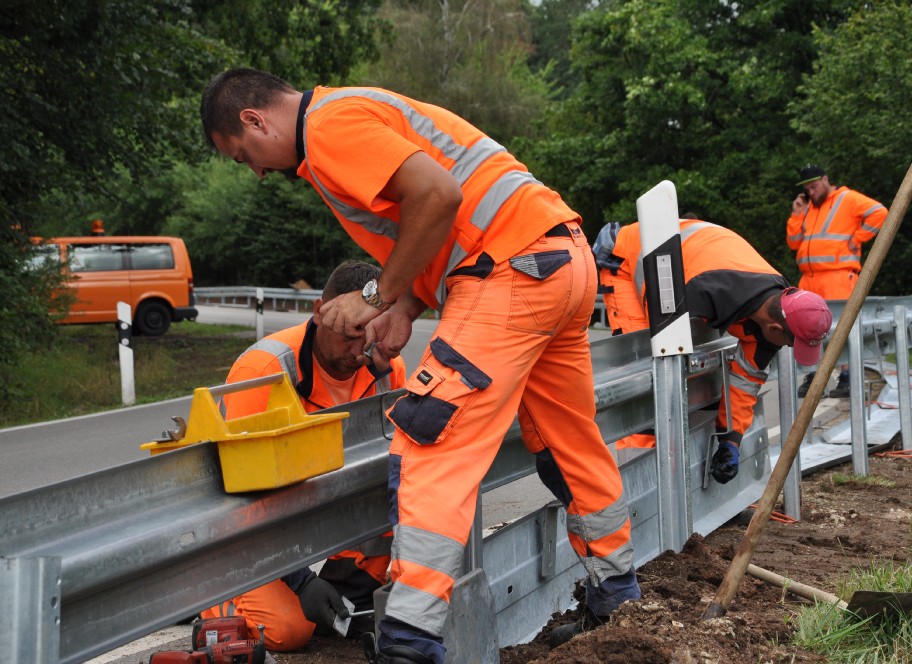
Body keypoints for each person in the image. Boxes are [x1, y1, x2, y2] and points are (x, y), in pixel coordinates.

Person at [200, 68, 641, 664]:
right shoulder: (355, 109)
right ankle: (618, 595)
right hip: (562, 261)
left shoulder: (328, 126)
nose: (255, 171)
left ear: (255, 120)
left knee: (430, 440)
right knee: (566, 441)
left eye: (242, 154)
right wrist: (407, 304)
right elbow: (438, 223)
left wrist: (377, 295)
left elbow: (439, 195)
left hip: (508, 272)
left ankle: (407, 638)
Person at [200, 260, 406, 652]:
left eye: (373, 333)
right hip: (247, 532)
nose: (361, 349)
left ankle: (347, 579)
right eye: (351, 333)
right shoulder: (264, 370)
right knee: (289, 630)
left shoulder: (384, 367)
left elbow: (398, 468)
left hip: (325, 511)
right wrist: (300, 581)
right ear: (320, 311)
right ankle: (208, 597)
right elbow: (241, 498)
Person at [592, 219, 833, 482]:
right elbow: (666, 369)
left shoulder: (777, 304)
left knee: (690, 383)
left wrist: (731, 440)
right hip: (628, 259)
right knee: (646, 383)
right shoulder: (699, 294)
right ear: (775, 329)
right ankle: (640, 490)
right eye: (790, 342)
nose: (787, 347)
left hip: (687, 260)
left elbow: (745, 380)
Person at [786, 164, 887, 398]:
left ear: (825, 179)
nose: (811, 192)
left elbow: (880, 212)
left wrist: (858, 238)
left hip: (839, 274)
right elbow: (793, 242)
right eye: (807, 189)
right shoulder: (808, 207)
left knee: (842, 327)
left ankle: (847, 378)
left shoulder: (847, 198)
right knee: (806, 328)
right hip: (809, 278)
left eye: (814, 186)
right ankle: (813, 377)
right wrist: (796, 214)